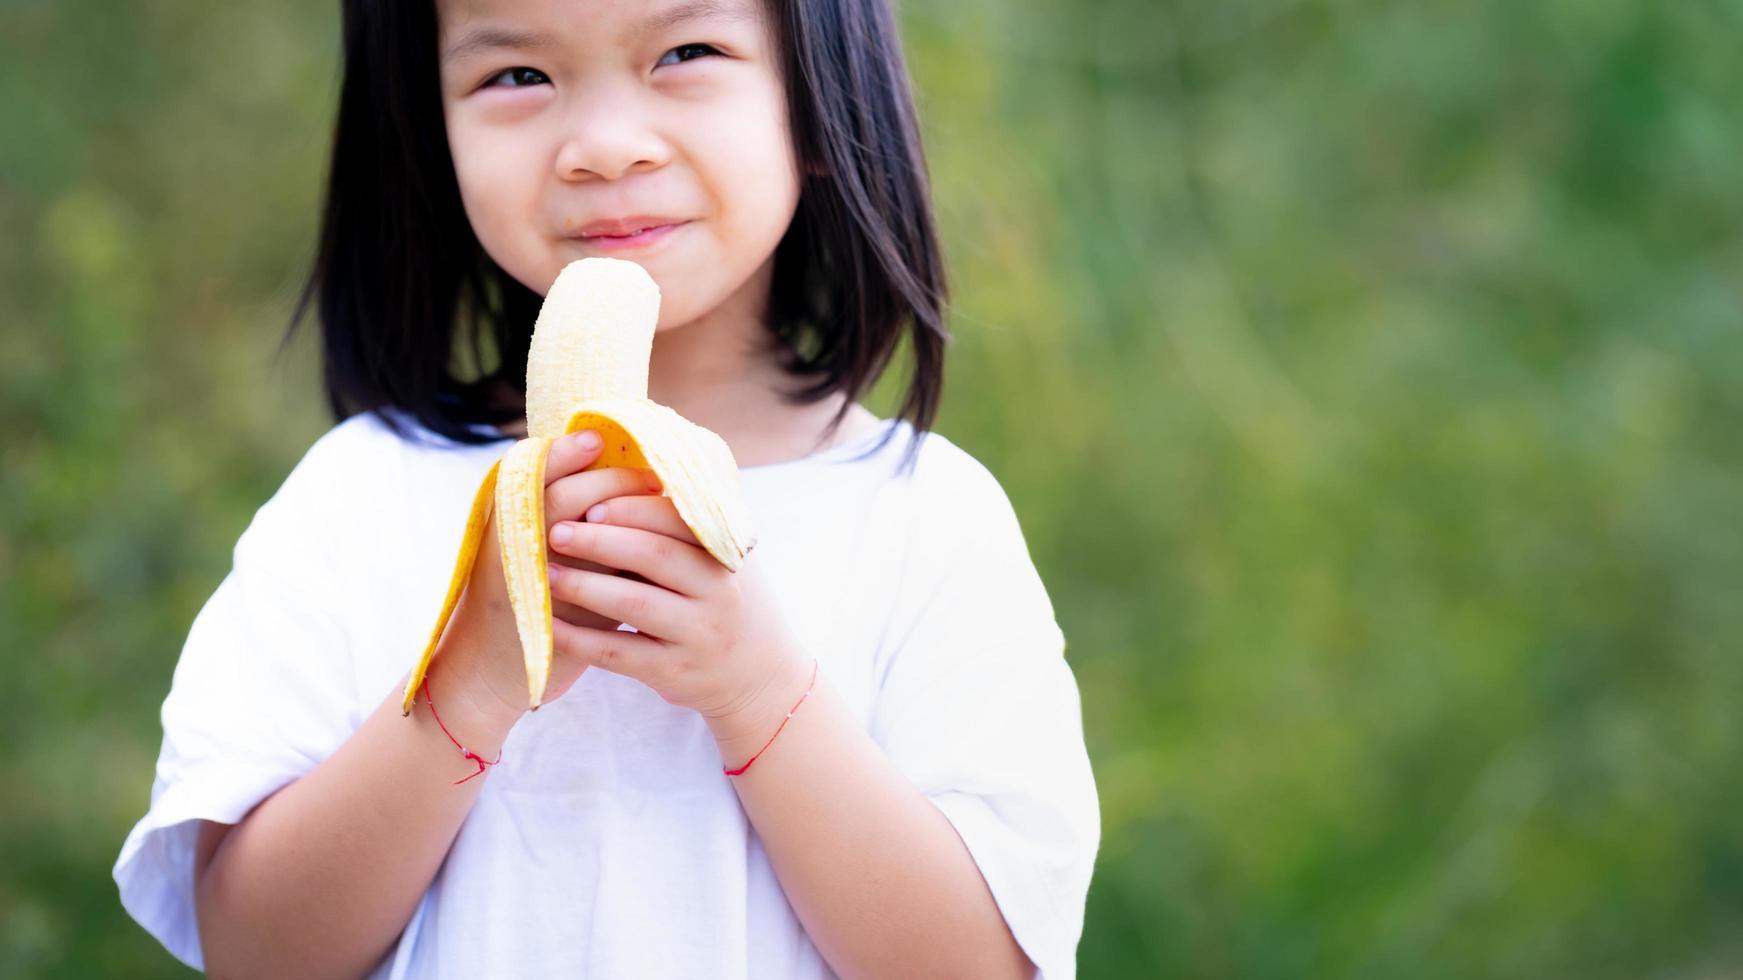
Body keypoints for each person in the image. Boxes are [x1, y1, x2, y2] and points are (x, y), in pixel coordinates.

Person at [113, 0, 1100, 976]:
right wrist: (470, 679)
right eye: (518, 75)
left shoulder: (924, 517)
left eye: (687, 51)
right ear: (426, 124)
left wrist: (757, 686)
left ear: (821, 95)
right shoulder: (361, 497)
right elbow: (254, 948)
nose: (603, 146)